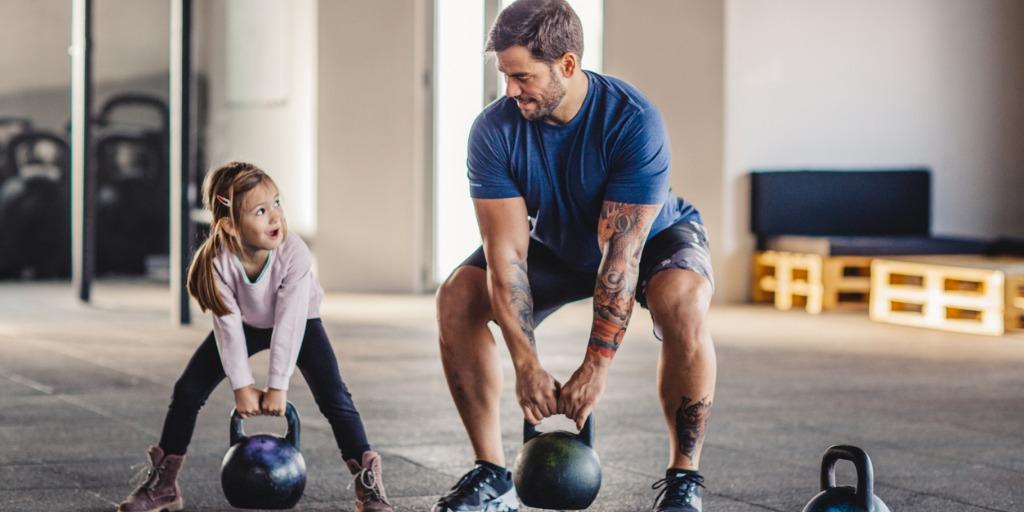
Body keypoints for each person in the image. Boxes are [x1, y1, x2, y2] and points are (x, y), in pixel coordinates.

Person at [433, 1, 716, 511]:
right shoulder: (493, 131)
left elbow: (621, 259)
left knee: (684, 298)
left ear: (567, 64)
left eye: (522, 77)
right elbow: (507, 258)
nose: (511, 90)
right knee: (457, 296)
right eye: (505, 76)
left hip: (652, 241)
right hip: (558, 244)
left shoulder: (632, 121)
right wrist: (527, 364)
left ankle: (683, 479)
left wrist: (595, 367)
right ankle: (492, 474)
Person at [116, 162, 392, 512]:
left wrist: (277, 385)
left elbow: (290, 322)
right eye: (261, 211)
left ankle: (367, 487)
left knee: (335, 397)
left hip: (300, 321)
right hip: (245, 324)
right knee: (186, 391)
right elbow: (228, 326)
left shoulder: (294, 253)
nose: (275, 217)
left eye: (277, 204)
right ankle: (164, 485)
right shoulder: (217, 261)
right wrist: (242, 386)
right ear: (229, 224)